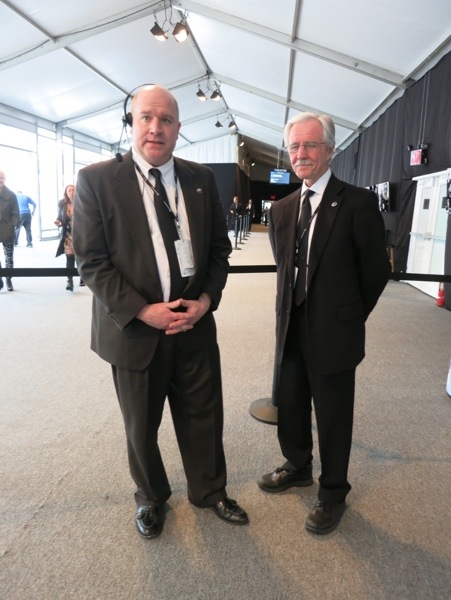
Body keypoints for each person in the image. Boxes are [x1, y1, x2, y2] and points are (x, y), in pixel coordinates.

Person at [73, 84, 248, 540]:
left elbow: (218, 251)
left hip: (193, 324)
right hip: (135, 331)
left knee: (204, 416)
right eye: (146, 118)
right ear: (131, 123)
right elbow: (91, 262)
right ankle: (151, 497)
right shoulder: (96, 180)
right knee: (141, 426)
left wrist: (206, 301)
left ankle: (209, 491)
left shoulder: (200, 178)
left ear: (178, 127)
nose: (155, 128)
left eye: (166, 120)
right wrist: (142, 311)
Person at [258, 112, 390, 535]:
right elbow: (285, 268)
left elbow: (375, 271)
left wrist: (349, 314)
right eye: (294, 146)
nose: (301, 153)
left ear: (330, 150)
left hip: (335, 331)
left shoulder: (357, 203)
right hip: (291, 326)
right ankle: (298, 465)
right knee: (292, 402)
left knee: (333, 413)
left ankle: (333, 491)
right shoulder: (282, 210)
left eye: (311, 145)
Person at [55, 184, 84, 291]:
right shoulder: (62, 204)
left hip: (80, 235)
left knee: (80, 257)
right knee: (70, 257)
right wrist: (59, 223)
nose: (72, 192)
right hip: (68, 235)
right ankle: (69, 280)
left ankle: (82, 277)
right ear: (66, 193)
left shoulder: (82, 202)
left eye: (73, 190)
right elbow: (59, 218)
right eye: (69, 190)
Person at [0, 170, 19, 292]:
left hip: (7, 229)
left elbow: (16, 213)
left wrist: (12, 225)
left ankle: (8, 279)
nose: (0, 179)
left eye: (2, 177)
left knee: (9, 257)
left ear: (5, 179)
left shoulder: (11, 195)